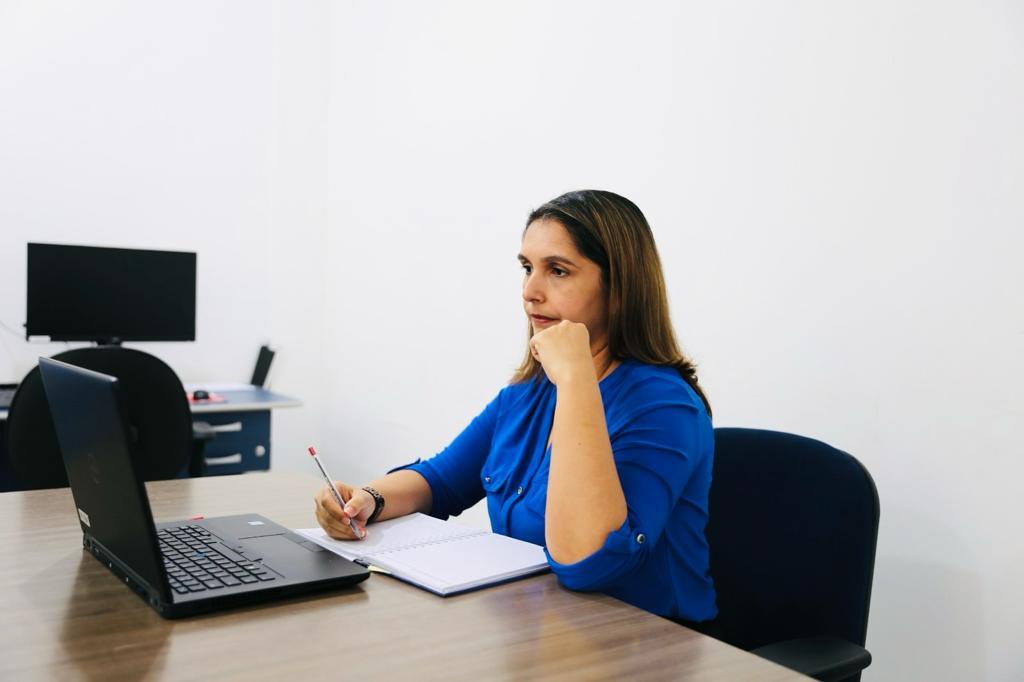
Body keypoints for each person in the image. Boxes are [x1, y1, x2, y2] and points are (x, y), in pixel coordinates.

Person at [314, 190, 716, 622]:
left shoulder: (665, 406)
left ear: (619, 287)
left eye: (558, 271)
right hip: (542, 630)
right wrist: (368, 501)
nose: (530, 292)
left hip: (647, 645)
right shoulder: (527, 395)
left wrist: (577, 379)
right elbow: (441, 480)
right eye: (527, 268)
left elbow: (588, 562)